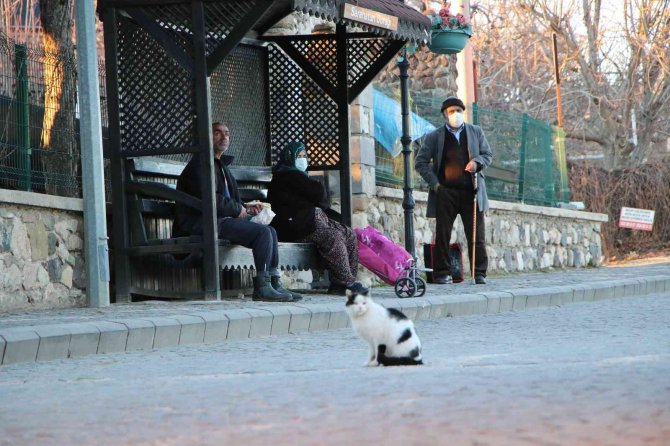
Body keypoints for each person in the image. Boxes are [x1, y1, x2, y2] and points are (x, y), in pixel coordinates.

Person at [172, 122, 302, 302]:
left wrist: (247, 207)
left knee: (270, 231)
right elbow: (211, 198)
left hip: (220, 219)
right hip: (202, 222)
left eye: (226, 133)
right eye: (217, 133)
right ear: (205, 138)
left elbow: (229, 199)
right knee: (262, 233)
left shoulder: (220, 165)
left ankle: (273, 281)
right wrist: (238, 209)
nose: (224, 136)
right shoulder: (200, 165)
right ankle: (262, 288)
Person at [267, 141, 368, 295]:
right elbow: (319, 194)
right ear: (289, 157)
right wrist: (316, 193)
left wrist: (315, 196)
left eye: (304, 155)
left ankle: (341, 284)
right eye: (298, 155)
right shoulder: (286, 176)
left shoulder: (300, 176)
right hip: (294, 227)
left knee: (348, 233)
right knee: (333, 237)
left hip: (309, 223)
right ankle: (346, 282)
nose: (302, 159)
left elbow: (321, 199)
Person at [415, 96, 493, 284]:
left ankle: (479, 272)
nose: (455, 114)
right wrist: (435, 184)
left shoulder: (475, 132)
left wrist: (477, 163)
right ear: (445, 115)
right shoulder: (434, 136)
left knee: (476, 234)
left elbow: (487, 155)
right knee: (443, 234)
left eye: (458, 110)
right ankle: (442, 272)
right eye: (451, 112)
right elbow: (421, 162)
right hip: (445, 192)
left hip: (471, 192)